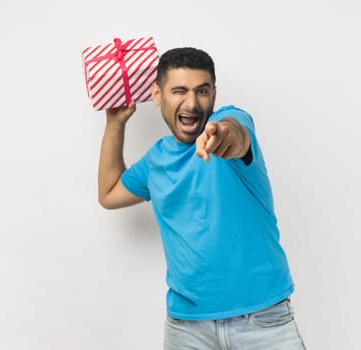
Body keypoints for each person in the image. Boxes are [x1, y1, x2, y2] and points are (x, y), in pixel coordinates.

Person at [98, 47, 306, 349]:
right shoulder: (156, 160)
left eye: (202, 91)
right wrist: (115, 123)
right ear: (157, 95)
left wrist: (219, 137)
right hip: (187, 329)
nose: (192, 103)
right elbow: (109, 192)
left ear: (214, 94)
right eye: (179, 91)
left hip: (262, 322)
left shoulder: (231, 119)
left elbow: (235, 136)